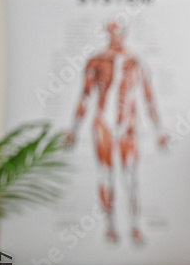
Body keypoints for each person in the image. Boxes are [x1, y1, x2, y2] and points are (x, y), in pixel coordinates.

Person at [65, 20, 168, 246]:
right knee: (106, 175)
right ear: (106, 33)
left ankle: (134, 227)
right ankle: (110, 226)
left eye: (119, 30)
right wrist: (73, 129)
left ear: (125, 33)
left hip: (127, 126)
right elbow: (85, 96)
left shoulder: (136, 62)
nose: (115, 35)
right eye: (111, 30)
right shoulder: (96, 61)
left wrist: (158, 131)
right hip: (103, 123)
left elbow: (148, 97)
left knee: (130, 177)